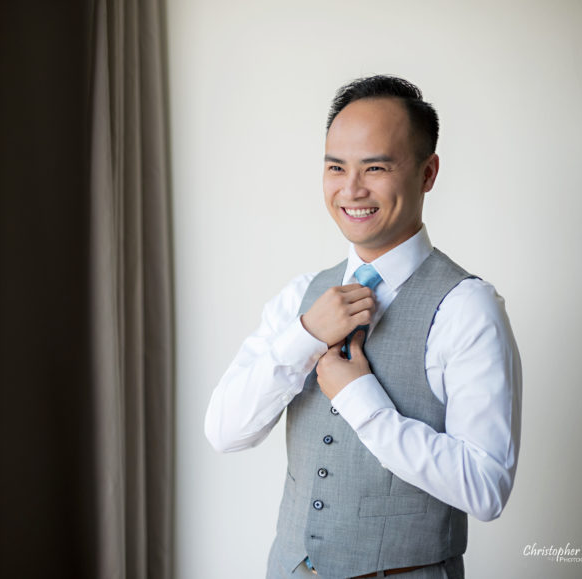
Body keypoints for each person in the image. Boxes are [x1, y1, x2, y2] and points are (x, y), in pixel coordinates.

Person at [204, 75, 522, 579]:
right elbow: (224, 432)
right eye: (336, 167)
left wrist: (360, 400)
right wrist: (306, 335)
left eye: (375, 167)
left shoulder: (467, 307)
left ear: (428, 172)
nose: (351, 189)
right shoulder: (300, 298)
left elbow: (486, 489)